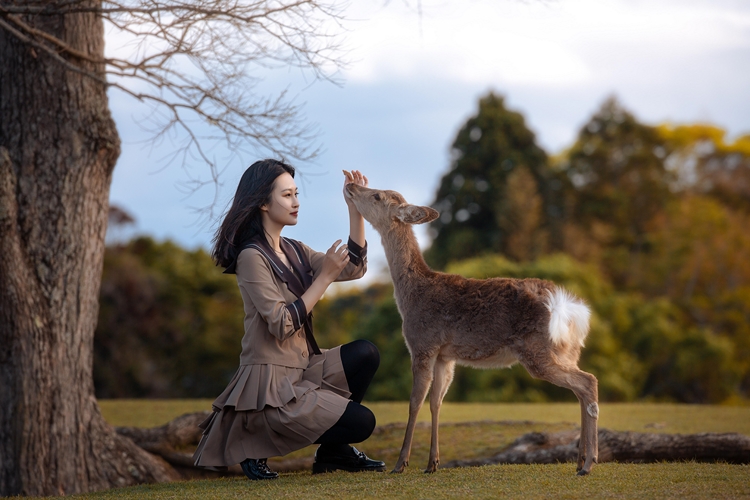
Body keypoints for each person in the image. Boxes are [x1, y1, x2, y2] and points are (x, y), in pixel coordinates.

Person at [193, 159, 385, 480]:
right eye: (287, 196)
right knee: (362, 422)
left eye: (296, 194)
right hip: (271, 387)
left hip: (303, 371)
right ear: (264, 204)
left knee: (366, 352)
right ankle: (255, 439)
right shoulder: (251, 256)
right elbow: (281, 324)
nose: (296, 203)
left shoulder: (294, 250)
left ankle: (333, 452)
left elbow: (353, 269)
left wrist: (356, 208)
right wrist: (322, 280)